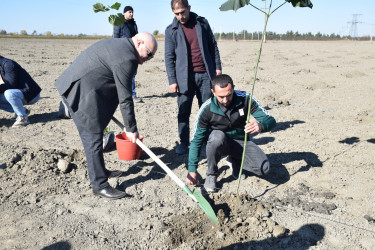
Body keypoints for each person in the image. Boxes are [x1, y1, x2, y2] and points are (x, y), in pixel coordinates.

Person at [54, 33, 157, 199]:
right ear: (139, 43)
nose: (150, 58)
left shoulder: (122, 46)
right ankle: (99, 185)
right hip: (81, 93)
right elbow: (125, 97)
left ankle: (102, 171)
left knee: (97, 131)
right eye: (149, 54)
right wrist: (131, 129)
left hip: (87, 88)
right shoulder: (127, 58)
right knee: (93, 139)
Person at [186, 74, 276, 192]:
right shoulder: (206, 109)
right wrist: (192, 170)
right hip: (219, 143)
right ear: (213, 92)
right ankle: (211, 174)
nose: (225, 100)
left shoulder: (245, 99)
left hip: (240, 141)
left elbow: (271, 120)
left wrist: (261, 125)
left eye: (229, 95)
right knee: (216, 137)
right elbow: (196, 140)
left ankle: (235, 161)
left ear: (233, 88)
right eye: (221, 96)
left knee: (264, 168)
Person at [165, 0, 222, 155]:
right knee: (183, 112)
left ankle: (206, 141)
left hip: (205, 75)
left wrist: (217, 67)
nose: (181, 16)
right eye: (177, 13)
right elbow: (169, 57)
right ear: (173, 12)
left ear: (189, 8)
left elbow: (212, 46)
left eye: (183, 12)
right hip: (184, 78)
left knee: (206, 111)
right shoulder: (171, 30)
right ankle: (184, 142)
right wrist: (172, 80)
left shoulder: (202, 23)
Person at [0, 55, 41, 127]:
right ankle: (22, 110)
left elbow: (10, 86)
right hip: (19, 93)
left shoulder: (9, 64)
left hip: (31, 94)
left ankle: (23, 118)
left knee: (9, 93)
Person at [114, 5, 142, 103]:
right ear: (124, 13)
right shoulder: (118, 23)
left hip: (133, 51)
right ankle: (121, 95)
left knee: (132, 73)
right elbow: (116, 38)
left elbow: (137, 37)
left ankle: (133, 95)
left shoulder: (134, 24)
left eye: (132, 12)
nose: (131, 14)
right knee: (122, 74)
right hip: (122, 51)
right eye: (129, 12)